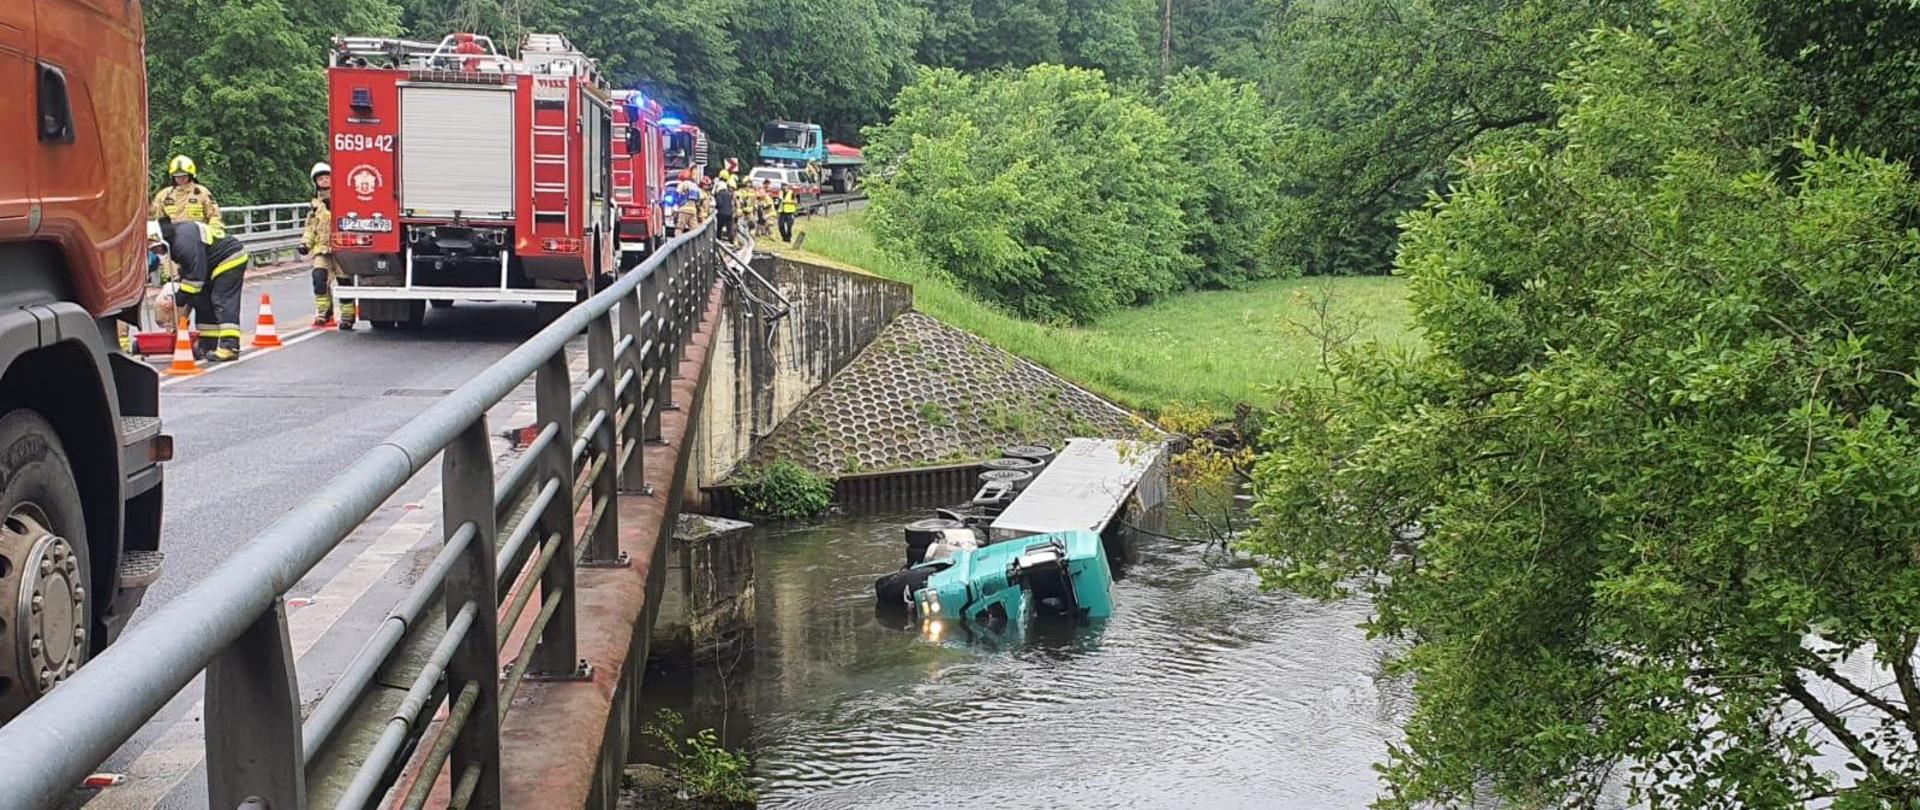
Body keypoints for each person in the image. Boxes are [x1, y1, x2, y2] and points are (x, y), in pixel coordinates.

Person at [160, 217, 249, 362]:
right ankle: (208, 346)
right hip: (209, 264)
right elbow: (191, 269)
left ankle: (230, 347)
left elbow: (194, 280)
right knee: (202, 301)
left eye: (155, 248)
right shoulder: (175, 237)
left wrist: (176, 299)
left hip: (228, 258)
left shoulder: (182, 243)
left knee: (222, 300)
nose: (157, 252)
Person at [300, 162, 353, 329]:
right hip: (322, 250)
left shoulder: (345, 198)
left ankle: (347, 316)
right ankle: (324, 313)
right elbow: (311, 227)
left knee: (345, 284)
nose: (324, 181)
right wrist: (305, 244)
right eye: (320, 179)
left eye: (326, 177)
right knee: (319, 279)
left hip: (342, 249)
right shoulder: (315, 206)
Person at [150, 155, 225, 237]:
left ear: (190, 175)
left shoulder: (202, 193)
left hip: (197, 238)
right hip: (173, 238)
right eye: (177, 176)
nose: (180, 179)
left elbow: (214, 215)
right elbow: (155, 218)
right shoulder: (164, 195)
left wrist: (214, 232)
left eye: (184, 175)